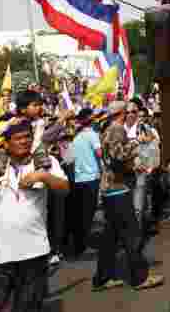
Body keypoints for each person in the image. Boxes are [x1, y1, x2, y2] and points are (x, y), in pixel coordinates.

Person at [0, 117, 69, 312]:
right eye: (18, 138)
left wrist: (43, 176)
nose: (24, 141)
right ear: (6, 144)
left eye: (27, 137)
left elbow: (64, 188)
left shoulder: (46, 162)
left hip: (34, 251)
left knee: (28, 307)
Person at [93, 101, 163, 293]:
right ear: (122, 113)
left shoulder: (107, 130)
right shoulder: (117, 130)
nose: (131, 114)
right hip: (118, 188)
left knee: (110, 238)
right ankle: (139, 278)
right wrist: (136, 143)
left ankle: (102, 278)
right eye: (128, 111)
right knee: (131, 234)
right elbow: (118, 155)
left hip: (110, 188)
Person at [68, 108, 100, 258]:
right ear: (91, 120)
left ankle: (79, 245)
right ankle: (84, 246)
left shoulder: (76, 137)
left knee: (81, 214)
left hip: (78, 179)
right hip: (91, 178)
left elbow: (70, 159)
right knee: (88, 214)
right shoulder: (92, 135)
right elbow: (99, 153)